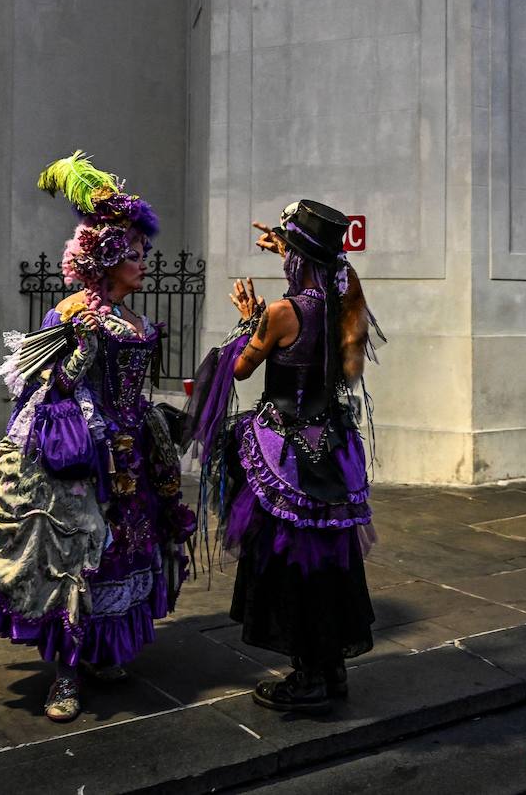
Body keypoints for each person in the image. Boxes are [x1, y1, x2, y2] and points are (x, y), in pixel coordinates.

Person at [0, 153, 196, 723]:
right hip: (85, 457)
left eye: (143, 254)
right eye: (136, 255)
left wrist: (159, 420)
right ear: (107, 259)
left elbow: (134, 391)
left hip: (133, 452)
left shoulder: (135, 319)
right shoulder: (73, 314)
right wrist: (82, 352)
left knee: (125, 552)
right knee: (77, 559)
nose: (144, 263)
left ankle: (101, 655)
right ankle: (66, 674)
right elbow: (45, 389)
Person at [188, 199, 382, 714]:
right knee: (330, 564)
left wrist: (249, 321)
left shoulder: (281, 312)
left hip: (285, 455)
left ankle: (308, 677)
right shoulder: (345, 304)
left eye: (286, 251)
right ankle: (331, 669)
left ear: (297, 258)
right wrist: (293, 246)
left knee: (287, 564)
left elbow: (240, 370)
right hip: (332, 449)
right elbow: (347, 362)